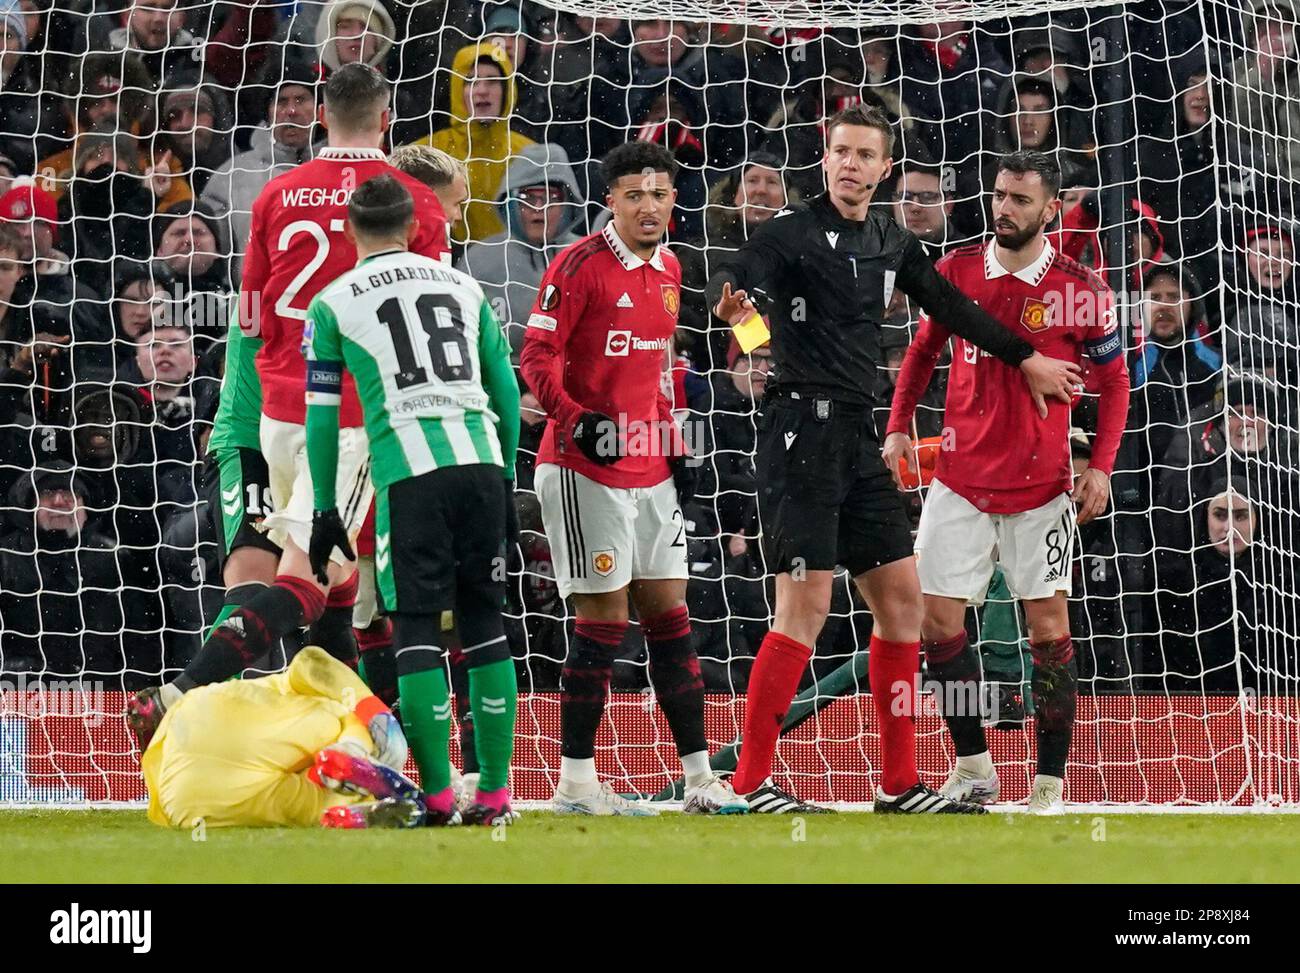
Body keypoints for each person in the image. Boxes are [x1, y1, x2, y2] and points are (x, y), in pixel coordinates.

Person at [708, 104, 1082, 814]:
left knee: (904, 605)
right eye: (840, 151)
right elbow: (731, 288)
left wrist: (1026, 355)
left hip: (857, 438)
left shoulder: (889, 238)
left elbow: (954, 307)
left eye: (864, 155)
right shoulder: (786, 234)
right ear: (825, 158)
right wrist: (747, 323)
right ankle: (747, 783)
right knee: (804, 610)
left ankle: (899, 783)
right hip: (797, 436)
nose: (850, 164)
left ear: (885, 169)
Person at [125, 63, 449, 747]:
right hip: (354, 418)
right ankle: (188, 694)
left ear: (321, 115)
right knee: (317, 576)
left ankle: (340, 741)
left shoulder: (275, 195)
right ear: (386, 117)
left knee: (323, 587)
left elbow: (247, 318)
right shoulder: (410, 202)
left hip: (270, 415)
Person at [885, 150, 1131, 814]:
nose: (1004, 209)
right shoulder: (957, 269)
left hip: (1042, 487)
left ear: (1052, 208)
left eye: (1020, 200)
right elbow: (922, 351)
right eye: (998, 195)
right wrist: (900, 422)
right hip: (959, 480)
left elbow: (1115, 384)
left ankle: (1048, 783)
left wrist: (1101, 464)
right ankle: (973, 767)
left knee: (1048, 626)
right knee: (938, 623)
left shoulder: (1082, 287)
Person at [521, 140, 746, 816]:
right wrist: (572, 416)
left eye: (659, 194)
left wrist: (675, 446)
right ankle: (577, 785)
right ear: (610, 201)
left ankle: (702, 778)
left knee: (670, 618)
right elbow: (535, 354)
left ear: (675, 200)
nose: (649, 206)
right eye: (634, 195)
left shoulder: (673, 269)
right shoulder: (579, 264)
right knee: (603, 619)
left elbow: (653, 373)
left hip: (650, 468)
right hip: (582, 467)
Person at [304, 173, 522, 827]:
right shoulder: (463, 284)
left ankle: (433, 796)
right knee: (486, 626)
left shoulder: (332, 301)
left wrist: (324, 508)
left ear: (349, 232)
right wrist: (506, 477)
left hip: (410, 474)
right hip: (481, 462)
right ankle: (495, 796)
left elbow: (321, 417)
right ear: (410, 228)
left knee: (418, 629)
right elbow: (505, 391)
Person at [141, 645, 428, 828]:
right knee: (350, 723)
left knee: (320, 798)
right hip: (234, 742)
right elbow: (310, 660)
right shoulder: (332, 702)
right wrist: (375, 712)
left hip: (182, 800)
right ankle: (351, 757)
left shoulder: (293, 690)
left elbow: (309, 658)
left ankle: (353, 807)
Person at [457, 141, 586, 358]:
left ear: (568, 203)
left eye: (550, 198)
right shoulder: (479, 261)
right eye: (528, 197)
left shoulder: (588, 256)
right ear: (511, 202)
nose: (538, 208)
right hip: (501, 382)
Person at [421, 40, 535, 244]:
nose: (481, 90)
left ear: (507, 90)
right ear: (458, 91)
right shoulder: (428, 153)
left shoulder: (530, 154)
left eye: (492, 81)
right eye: (471, 81)